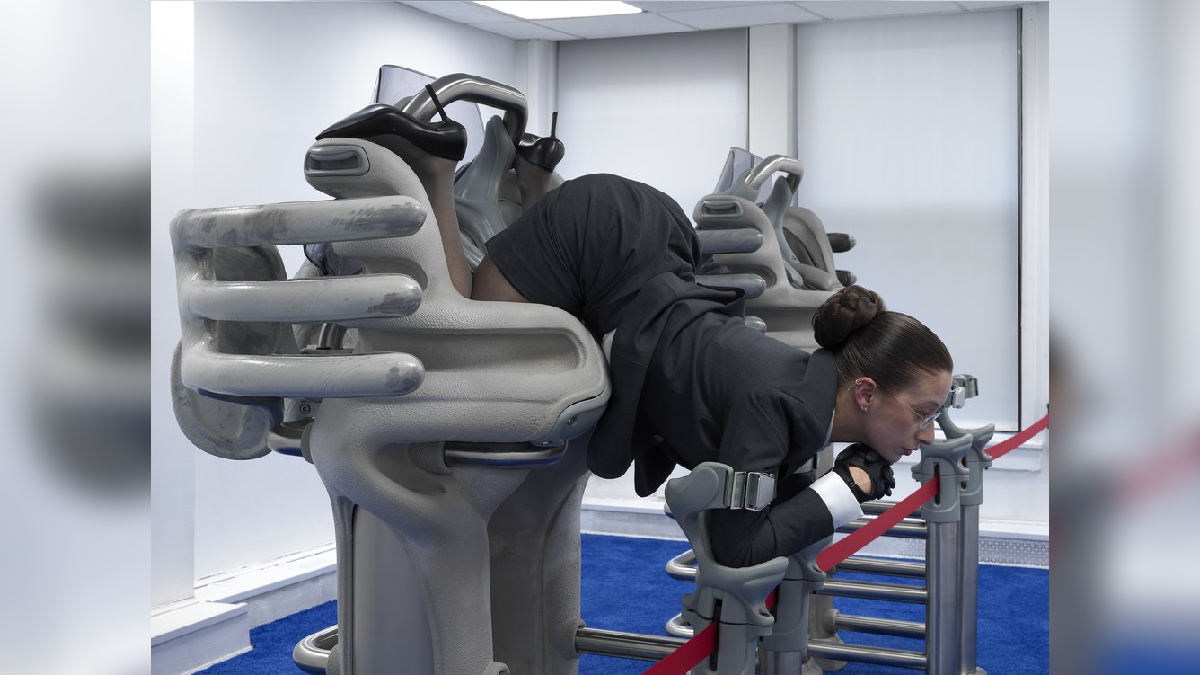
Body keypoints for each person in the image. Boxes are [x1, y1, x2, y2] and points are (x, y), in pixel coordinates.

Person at [451, 171, 954, 567]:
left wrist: (834, 488)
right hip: (602, 232)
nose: (927, 434)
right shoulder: (775, 403)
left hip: (646, 236)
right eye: (922, 412)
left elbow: (761, 505)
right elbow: (735, 545)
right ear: (865, 393)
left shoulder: (801, 392)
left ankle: (533, 183)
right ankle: (434, 169)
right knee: (462, 327)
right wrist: (847, 489)